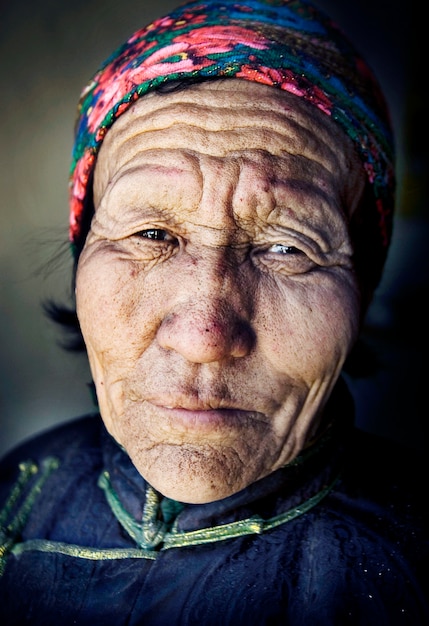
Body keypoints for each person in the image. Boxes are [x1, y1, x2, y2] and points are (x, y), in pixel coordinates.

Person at [0, 0, 427, 623]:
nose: (203, 336)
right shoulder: (17, 499)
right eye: (150, 234)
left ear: (361, 287)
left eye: (286, 248)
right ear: (82, 253)